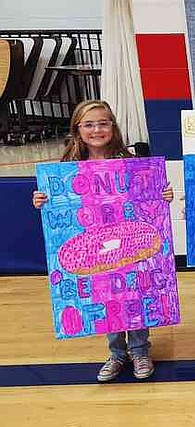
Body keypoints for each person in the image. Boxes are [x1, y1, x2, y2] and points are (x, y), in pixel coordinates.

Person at [32, 99, 175, 382]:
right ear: (77, 130)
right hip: (96, 248)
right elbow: (60, 204)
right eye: (89, 124)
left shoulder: (131, 162)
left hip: (128, 242)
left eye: (103, 123)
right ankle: (116, 353)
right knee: (105, 293)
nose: (96, 129)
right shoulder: (68, 169)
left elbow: (149, 198)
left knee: (134, 291)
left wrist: (163, 195)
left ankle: (139, 349)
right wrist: (42, 200)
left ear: (112, 126)